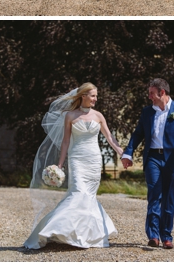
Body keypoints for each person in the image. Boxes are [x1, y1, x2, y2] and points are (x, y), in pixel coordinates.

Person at [25, 83, 124, 249]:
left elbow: (110, 138)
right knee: (77, 192)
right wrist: (60, 164)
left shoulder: (98, 116)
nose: (95, 99)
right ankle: (57, 229)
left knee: (89, 196)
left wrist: (123, 153)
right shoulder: (70, 116)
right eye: (92, 95)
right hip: (76, 158)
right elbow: (65, 142)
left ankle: (82, 235)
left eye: (96, 96)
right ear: (83, 96)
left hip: (93, 160)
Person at [121, 78, 174, 249]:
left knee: (168, 197)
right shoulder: (147, 112)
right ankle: (153, 236)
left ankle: (166, 236)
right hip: (153, 157)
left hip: (172, 160)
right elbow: (138, 134)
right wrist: (128, 153)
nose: (149, 97)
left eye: (151, 93)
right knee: (154, 194)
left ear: (162, 93)